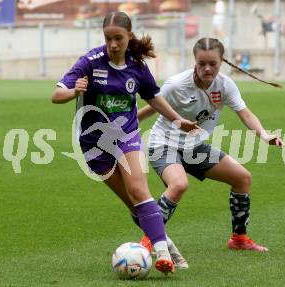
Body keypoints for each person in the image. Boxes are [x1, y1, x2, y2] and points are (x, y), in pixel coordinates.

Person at [51, 11, 198, 275]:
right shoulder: (90, 62)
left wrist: (177, 120)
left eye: (118, 38)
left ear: (129, 36)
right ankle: (170, 246)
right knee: (134, 205)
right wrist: (75, 91)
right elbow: (56, 94)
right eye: (108, 39)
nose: (113, 44)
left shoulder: (137, 66)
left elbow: (153, 97)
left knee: (140, 192)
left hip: (127, 136)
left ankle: (164, 254)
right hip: (94, 145)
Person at [138, 38, 284, 257]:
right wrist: (125, 126)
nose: (207, 68)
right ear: (194, 61)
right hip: (164, 144)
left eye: (213, 63)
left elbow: (245, 113)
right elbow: (153, 107)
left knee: (242, 178)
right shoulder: (176, 85)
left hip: (194, 146)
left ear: (221, 62)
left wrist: (264, 135)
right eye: (202, 63)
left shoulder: (225, 85)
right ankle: (149, 240)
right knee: (178, 185)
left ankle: (239, 238)